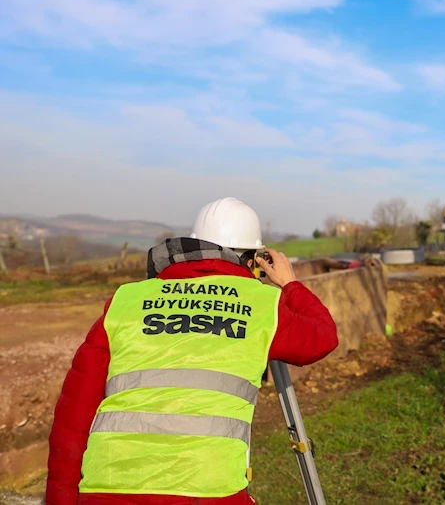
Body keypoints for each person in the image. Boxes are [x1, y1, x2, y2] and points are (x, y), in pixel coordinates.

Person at [45, 197, 339, 505]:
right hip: (207, 492)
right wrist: (290, 285)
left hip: (106, 489)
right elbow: (323, 337)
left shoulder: (126, 299)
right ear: (252, 259)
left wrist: (60, 498)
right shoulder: (261, 303)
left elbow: (74, 414)